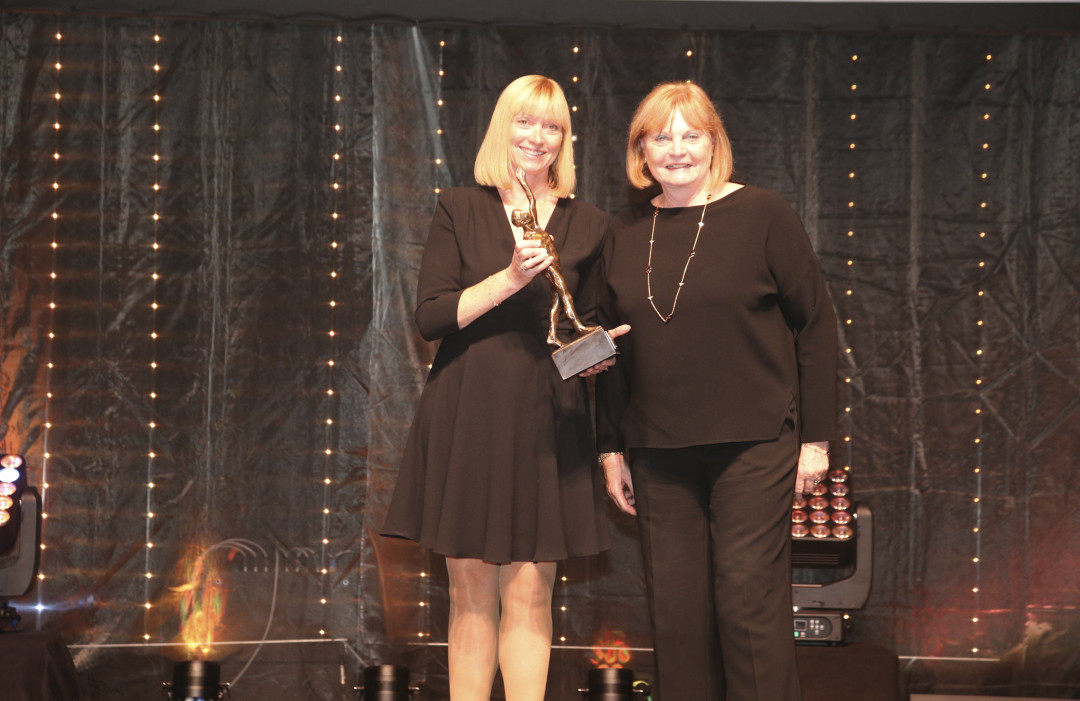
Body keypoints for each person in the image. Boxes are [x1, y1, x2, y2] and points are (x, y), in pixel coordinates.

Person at [595, 81, 838, 700]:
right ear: (641, 151)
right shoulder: (623, 230)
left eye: (690, 135)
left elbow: (816, 325)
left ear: (713, 143)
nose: (676, 149)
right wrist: (610, 448)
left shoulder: (764, 215)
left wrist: (816, 440)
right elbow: (607, 350)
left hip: (754, 442)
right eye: (660, 137)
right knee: (677, 617)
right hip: (657, 450)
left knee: (747, 605)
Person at [382, 74, 616, 701]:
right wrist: (511, 278)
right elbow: (432, 317)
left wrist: (596, 355)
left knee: (532, 590)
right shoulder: (459, 207)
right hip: (469, 412)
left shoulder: (591, 223)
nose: (538, 136)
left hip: (550, 419)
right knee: (470, 591)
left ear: (565, 139)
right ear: (501, 128)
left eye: (552, 126)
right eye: (525, 121)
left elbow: (585, 324)